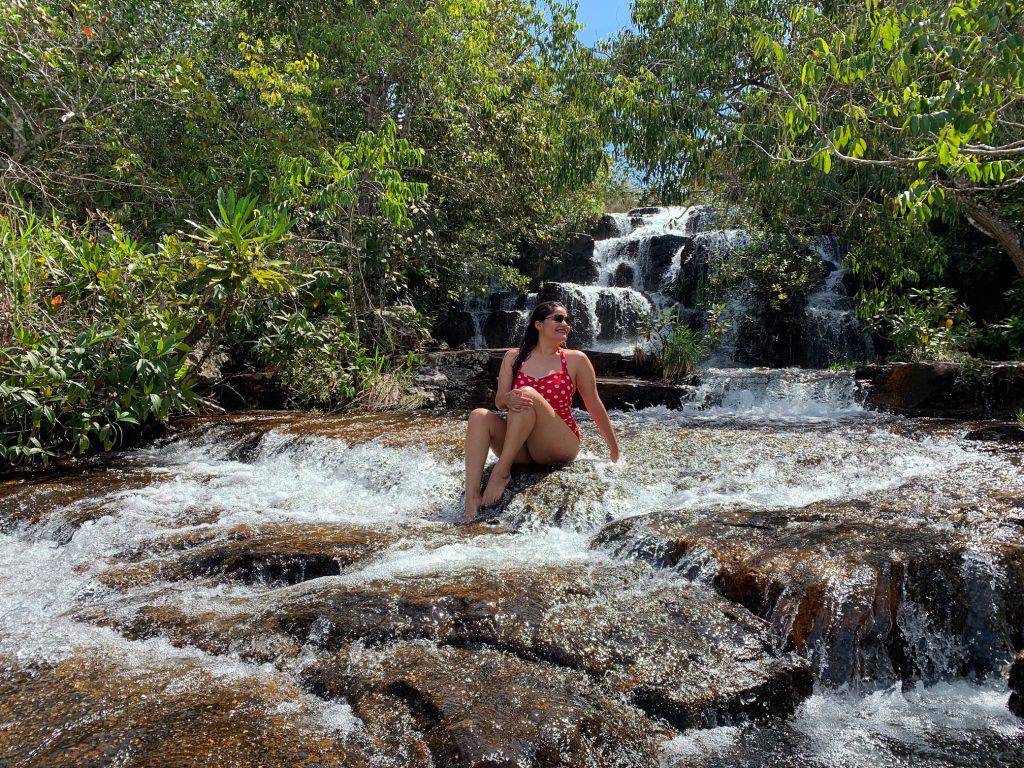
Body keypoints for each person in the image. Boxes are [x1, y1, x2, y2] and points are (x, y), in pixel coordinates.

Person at [463, 300, 620, 521]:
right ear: (538, 324)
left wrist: (613, 448)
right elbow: (499, 402)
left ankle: (501, 471)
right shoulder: (514, 357)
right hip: (521, 445)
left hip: (558, 443)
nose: (564, 323)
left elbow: (593, 404)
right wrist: (508, 398)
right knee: (478, 415)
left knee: (526, 393)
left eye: (567, 320)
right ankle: (471, 500)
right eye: (558, 318)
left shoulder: (576, 360)